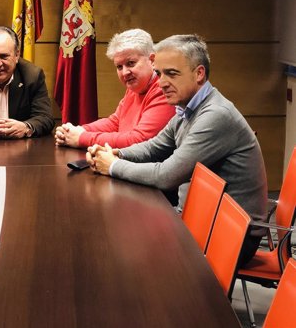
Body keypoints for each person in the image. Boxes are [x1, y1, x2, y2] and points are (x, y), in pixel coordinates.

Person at [87, 34, 267, 265]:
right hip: (203, 220)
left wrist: (112, 166)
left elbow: (167, 176)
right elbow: (154, 147)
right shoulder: (188, 107)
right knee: (121, 231)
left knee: (123, 243)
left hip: (231, 237)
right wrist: (115, 153)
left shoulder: (215, 115)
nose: (161, 83)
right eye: (159, 73)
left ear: (199, 73)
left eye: (172, 73)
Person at [55, 29, 174, 148]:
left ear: (152, 60)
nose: (125, 72)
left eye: (131, 63)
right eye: (119, 67)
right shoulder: (135, 87)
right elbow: (115, 122)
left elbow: (139, 140)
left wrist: (81, 138)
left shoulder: (164, 90)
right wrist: (76, 130)